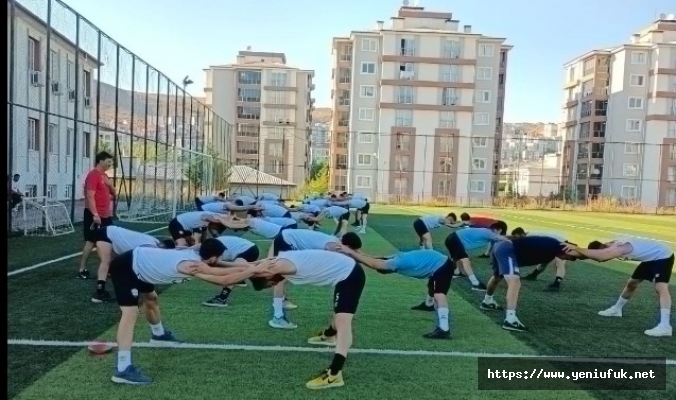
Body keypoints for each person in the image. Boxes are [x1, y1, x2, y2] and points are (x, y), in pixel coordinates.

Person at [110, 239, 258, 385]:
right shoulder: (191, 265)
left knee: (151, 299)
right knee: (130, 313)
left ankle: (159, 335)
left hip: (142, 265)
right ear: (212, 258)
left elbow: (214, 258)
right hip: (126, 267)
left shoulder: (197, 253)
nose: (222, 258)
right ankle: (123, 369)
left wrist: (253, 266)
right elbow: (223, 280)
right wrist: (252, 270)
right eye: (221, 256)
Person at [248, 249, 366, 390]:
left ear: (267, 276)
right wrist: (221, 264)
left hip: (350, 275)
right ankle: (328, 335)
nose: (274, 285)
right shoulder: (275, 261)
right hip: (346, 272)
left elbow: (238, 274)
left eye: (270, 284)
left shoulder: (282, 267)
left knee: (343, 322)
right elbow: (250, 266)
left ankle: (334, 374)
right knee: (339, 317)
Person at [564, 238, 673, 337]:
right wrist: (573, 251)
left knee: (660, 288)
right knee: (632, 283)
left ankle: (665, 326)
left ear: (602, 248)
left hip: (662, 255)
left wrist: (577, 248)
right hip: (650, 258)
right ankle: (617, 310)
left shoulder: (618, 247)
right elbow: (595, 255)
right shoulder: (608, 246)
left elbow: (602, 257)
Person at [339, 246, 455, 339]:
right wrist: (357, 255)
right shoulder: (396, 258)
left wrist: (349, 251)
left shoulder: (398, 263)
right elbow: (376, 259)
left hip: (442, 265)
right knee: (432, 286)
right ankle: (428, 305)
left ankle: (444, 329)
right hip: (438, 262)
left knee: (439, 294)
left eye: (386, 271)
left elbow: (374, 264)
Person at [266, 230, 363, 330]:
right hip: (287, 240)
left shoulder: (338, 242)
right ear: (347, 246)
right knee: (281, 277)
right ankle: (277, 317)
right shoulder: (333, 246)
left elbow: (353, 253)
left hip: (285, 236)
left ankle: (280, 301)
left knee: (283, 274)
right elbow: (348, 255)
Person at [481, 236, 579, 332]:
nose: (567, 259)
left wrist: (533, 274)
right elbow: (525, 243)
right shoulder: (554, 245)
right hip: (507, 249)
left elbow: (542, 264)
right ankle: (510, 320)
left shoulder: (552, 251)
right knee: (515, 282)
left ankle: (487, 301)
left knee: (497, 277)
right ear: (567, 249)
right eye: (570, 257)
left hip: (502, 247)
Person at [93, 225, 176, 303]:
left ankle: (117, 289)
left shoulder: (154, 243)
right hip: (107, 233)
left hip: (110, 232)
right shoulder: (149, 249)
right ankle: (99, 293)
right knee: (106, 261)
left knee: (113, 265)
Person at [78, 151, 115, 282]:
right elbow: (90, 196)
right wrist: (95, 214)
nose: (111, 164)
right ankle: (82, 269)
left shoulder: (104, 176)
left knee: (109, 240)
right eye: (109, 161)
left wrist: (110, 184)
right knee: (91, 241)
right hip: (94, 215)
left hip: (106, 215)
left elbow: (115, 194)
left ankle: (108, 267)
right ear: (101, 161)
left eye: (111, 162)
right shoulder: (93, 175)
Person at [444, 222, 508, 291]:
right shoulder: (489, 232)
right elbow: (502, 239)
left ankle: (456, 273)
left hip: (452, 238)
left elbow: (493, 244)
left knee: (458, 258)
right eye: (501, 233)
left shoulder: (486, 232)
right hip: (455, 239)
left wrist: (487, 254)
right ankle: (475, 283)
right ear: (499, 230)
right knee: (465, 260)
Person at [202, 235, 260, 307]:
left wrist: (219, 262)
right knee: (221, 264)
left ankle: (222, 298)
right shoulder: (210, 245)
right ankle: (240, 280)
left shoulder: (215, 247)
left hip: (249, 250)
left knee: (234, 270)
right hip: (245, 249)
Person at [511, 227, 570, 292]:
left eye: (517, 237)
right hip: (550, 244)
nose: (517, 239)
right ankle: (533, 276)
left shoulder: (529, 238)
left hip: (561, 242)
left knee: (559, 262)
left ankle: (556, 285)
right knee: (545, 259)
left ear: (522, 234)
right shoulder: (527, 237)